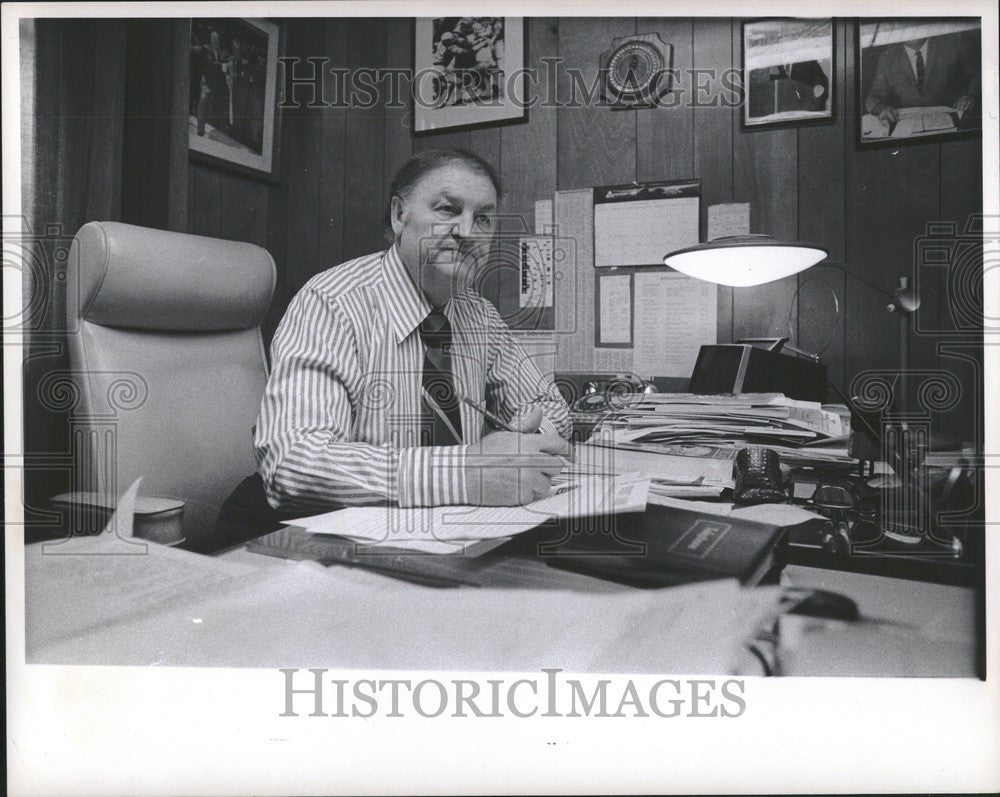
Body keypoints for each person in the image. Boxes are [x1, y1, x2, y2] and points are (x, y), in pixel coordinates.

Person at [252, 149, 571, 514]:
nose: (467, 232)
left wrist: (522, 447)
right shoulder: (332, 303)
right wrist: (463, 472)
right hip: (330, 542)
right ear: (399, 215)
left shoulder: (480, 315)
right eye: (447, 209)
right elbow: (293, 463)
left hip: (456, 534)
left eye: (483, 219)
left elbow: (551, 407)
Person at [864, 32, 980, 127]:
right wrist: (882, 109)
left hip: (952, 121)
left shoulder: (953, 43)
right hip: (907, 126)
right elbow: (873, 98)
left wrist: (970, 95)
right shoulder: (887, 58)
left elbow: (979, 74)